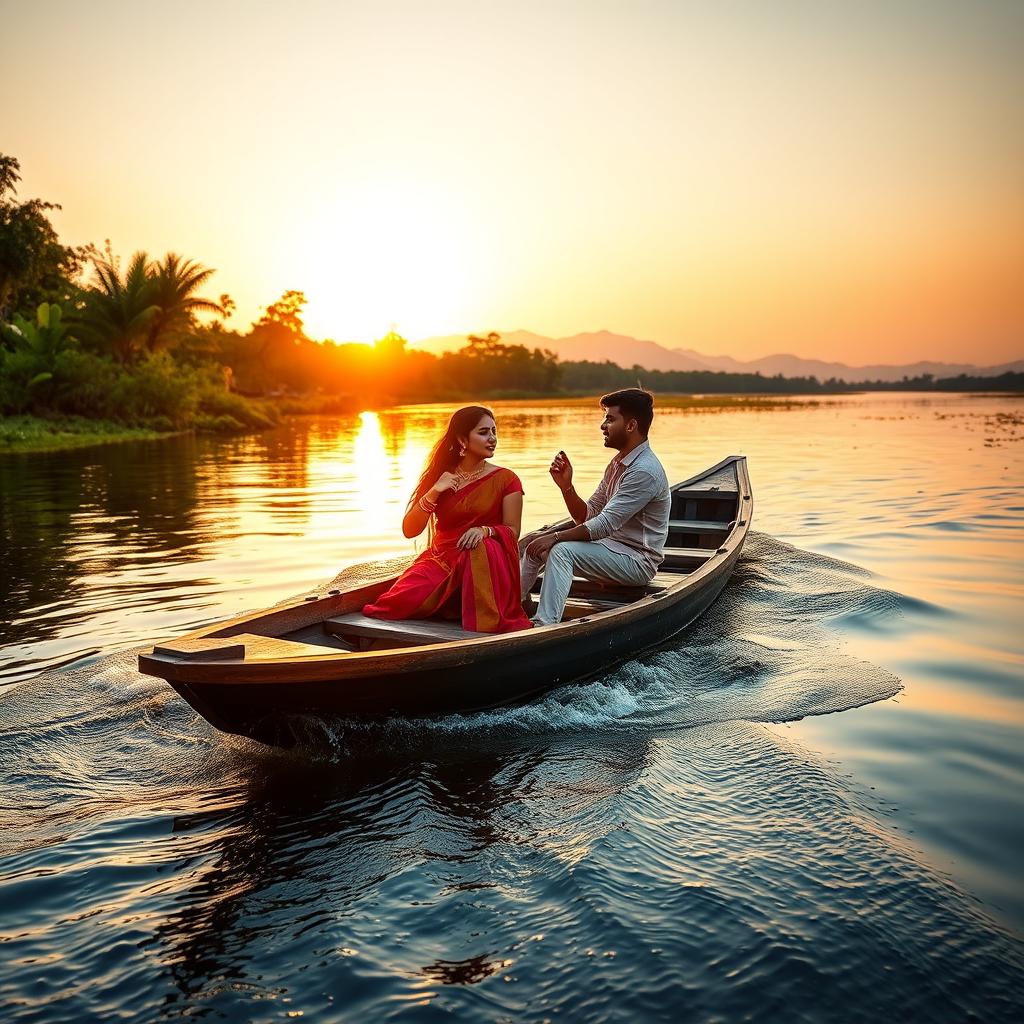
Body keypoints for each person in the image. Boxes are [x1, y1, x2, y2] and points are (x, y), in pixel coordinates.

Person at [363, 406, 532, 633]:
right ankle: (452, 603)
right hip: (442, 559)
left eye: (494, 431)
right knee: (392, 604)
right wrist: (435, 491)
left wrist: (484, 531)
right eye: (483, 432)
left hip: (484, 561)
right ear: (462, 439)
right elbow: (410, 530)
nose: (492, 438)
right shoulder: (441, 476)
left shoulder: (506, 479)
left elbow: (512, 531)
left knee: (479, 548)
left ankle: (480, 616)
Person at [521, 388, 670, 626]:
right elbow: (588, 516)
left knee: (561, 550)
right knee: (533, 542)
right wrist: (566, 487)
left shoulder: (644, 471)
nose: (603, 426)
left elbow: (602, 525)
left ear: (631, 426)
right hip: (609, 549)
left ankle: (543, 624)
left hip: (637, 562)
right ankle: (511, 609)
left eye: (610, 419)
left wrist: (555, 537)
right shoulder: (617, 464)